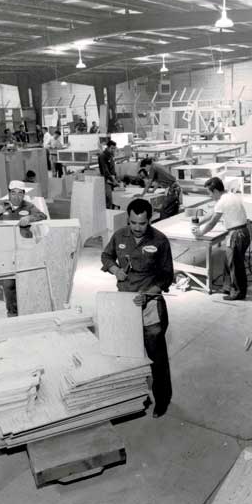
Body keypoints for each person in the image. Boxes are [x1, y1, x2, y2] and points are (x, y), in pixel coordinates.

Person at [101, 198, 173, 418]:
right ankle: (133, 398)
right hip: (124, 304)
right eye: (133, 223)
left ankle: (162, 399)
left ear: (149, 220)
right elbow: (106, 255)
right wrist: (114, 269)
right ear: (128, 219)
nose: (137, 228)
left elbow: (167, 275)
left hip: (149, 304)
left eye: (142, 223)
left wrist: (149, 292)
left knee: (156, 357)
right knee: (128, 355)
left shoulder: (160, 241)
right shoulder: (119, 236)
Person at [0, 180, 47, 316]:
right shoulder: (1, 204)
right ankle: (13, 313)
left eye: (20, 193)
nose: (16, 196)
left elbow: (42, 215)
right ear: (8, 193)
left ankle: (28, 310)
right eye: (13, 193)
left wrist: (30, 218)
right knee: (9, 283)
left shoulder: (29, 206)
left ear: (24, 194)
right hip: (6, 251)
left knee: (26, 281)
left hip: (24, 250)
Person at [193, 177, 250, 301]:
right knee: (228, 261)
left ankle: (238, 293)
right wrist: (198, 223)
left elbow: (213, 221)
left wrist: (200, 233)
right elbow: (212, 213)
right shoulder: (230, 195)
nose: (210, 196)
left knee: (235, 265)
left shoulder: (222, 201)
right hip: (243, 232)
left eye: (209, 193)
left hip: (237, 234)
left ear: (215, 191)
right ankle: (227, 287)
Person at [98, 140, 120, 209]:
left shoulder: (111, 155)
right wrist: (113, 179)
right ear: (108, 147)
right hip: (106, 180)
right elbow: (105, 171)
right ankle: (108, 211)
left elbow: (112, 168)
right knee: (109, 198)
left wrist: (116, 178)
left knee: (114, 198)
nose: (113, 150)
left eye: (114, 148)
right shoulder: (102, 156)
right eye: (112, 148)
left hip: (112, 179)